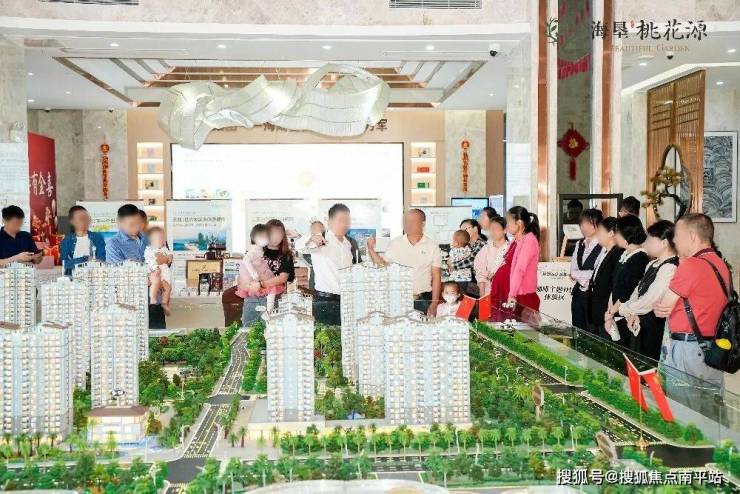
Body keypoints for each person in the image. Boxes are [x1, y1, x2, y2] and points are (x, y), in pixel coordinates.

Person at [655, 214, 730, 416]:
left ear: (692, 236)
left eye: (677, 235)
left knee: (684, 413)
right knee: (711, 413)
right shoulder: (719, 263)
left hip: (689, 350)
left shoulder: (690, 265)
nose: (674, 240)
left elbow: (662, 307)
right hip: (713, 349)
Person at [618, 220, 678, 360]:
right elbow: (638, 290)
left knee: (650, 362)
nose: (646, 244)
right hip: (640, 321)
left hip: (656, 326)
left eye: (651, 241)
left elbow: (652, 299)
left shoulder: (670, 267)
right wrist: (631, 310)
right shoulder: (652, 263)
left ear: (664, 243)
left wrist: (625, 309)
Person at [367, 209, 442, 316]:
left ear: (423, 224)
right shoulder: (395, 243)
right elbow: (383, 266)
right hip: (397, 300)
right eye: (405, 221)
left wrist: (434, 304)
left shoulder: (432, 246)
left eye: (412, 221)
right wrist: (371, 250)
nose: (408, 224)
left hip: (422, 300)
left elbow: (436, 276)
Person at [305, 203, 359, 324]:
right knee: (326, 335)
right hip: (325, 300)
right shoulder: (321, 240)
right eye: (341, 220)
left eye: (347, 220)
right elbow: (303, 246)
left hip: (346, 300)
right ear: (329, 221)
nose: (345, 224)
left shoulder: (348, 244)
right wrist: (313, 236)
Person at [604, 215, 649, 344]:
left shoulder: (640, 257)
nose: (615, 236)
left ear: (626, 234)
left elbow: (628, 290)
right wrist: (609, 311)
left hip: (627, 315)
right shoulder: (624, 254)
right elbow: (615, 285)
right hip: (615, 313)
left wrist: (611, 312)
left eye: (617, 232)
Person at [241, 219, 295, 326]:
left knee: (273, 331)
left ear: (283, 236)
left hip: (275, 300)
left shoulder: (286, 255)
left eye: (279, 233)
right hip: (253, 298)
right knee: (249, 330)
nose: (275, 236)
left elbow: (282, 278)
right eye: (272, 233)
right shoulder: (256, 251)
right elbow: (245, 270)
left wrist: (261, 284)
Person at [587, 217, 624, 335]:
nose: (597, 235)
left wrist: (610, 312)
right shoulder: (604, 252)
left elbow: (616, 285)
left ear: (611, 233)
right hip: (597, 311)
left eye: (600, 232)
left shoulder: (618, 254)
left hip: (608, 313)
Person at [474, 216, 516, 321]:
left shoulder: (511, 248)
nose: (493, 232)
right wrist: (482, 296)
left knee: (506, 321)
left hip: (506, 292)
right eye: (491, 229)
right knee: (487, 322)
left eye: (496, 228)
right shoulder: (485, 249)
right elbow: (480, 272)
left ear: (505, 230)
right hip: (488, 292)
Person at [237, 224, 285, 311]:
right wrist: (254, 274)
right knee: (272, 289)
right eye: (262, 237)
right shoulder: (254, 250)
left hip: (261, 274)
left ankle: (269, 309)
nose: (266, 239)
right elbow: (246, 260)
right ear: (254, 238)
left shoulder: (261, 249)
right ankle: (269, 310)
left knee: (272, 289)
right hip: (256, 276)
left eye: (267, 237)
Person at [569, 209, 603, 331]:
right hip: (578, 295)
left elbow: (597, 272)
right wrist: (582, 276)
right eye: (582, 223)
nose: (584, 227)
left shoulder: (603, 245)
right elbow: (572, 270)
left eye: (589, 223)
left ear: (599, 225)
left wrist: (577, 275)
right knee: (577, 330)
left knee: (592, 331)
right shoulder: (579, 244)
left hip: (594, 296)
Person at [506, 206, 541, 314]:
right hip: (515, 293)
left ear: (519, 223)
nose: (507, 225)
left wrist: (512, 294)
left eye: (509, 221)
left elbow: (520, 269)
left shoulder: (529, 241)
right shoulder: (516, 240)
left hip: (523, 295)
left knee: (525, 325)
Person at [60, 205, 107, 275]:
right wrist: (86, 258)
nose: (85, 221)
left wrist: (76, 261)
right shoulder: (66, 241)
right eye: (81, 218)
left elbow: (101, 260)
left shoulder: (97, 238)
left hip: (94, 276)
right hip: (73, 277)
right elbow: (65, 264)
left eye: (87, 218)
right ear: (72, 222)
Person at [449, 219, 487, 294]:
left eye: (465, 229)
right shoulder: (467, 246)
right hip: (467, 280)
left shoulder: (482, 244)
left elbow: (471, 261)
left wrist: (453, 265)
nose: (463, 233)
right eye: (461, 231)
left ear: (475, 229)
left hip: (479, 283)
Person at [144, 226, 174, 315]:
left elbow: (168, 255)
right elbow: (150, 260)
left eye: (162, 238)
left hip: (164, 273)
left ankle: (164, 304)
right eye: (158, 239)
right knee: (156, 285)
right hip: (155, 272)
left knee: (168, 288)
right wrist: (155, 267)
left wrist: (169, 256)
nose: (161, 240)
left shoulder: (163, 248)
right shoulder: (149, 249)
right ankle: (154, 299)